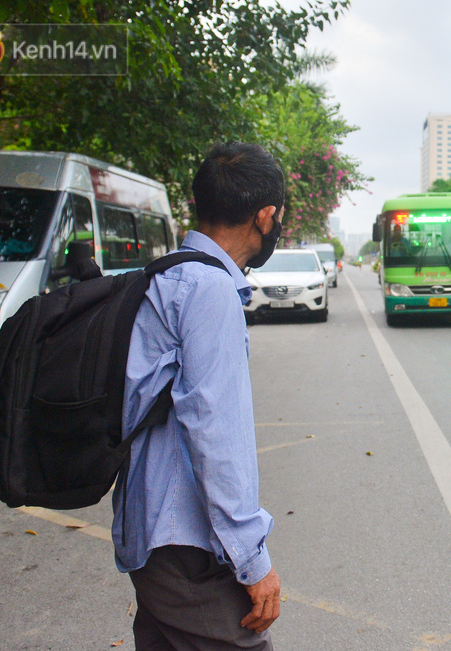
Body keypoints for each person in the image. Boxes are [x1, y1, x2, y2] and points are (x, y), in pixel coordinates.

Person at [112, 142, 284, 649]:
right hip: (185, 545)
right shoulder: (209, 292)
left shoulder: (165, 275)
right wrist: (253, 562)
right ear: (266, 216)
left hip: (152, 532)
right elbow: (215, 430)